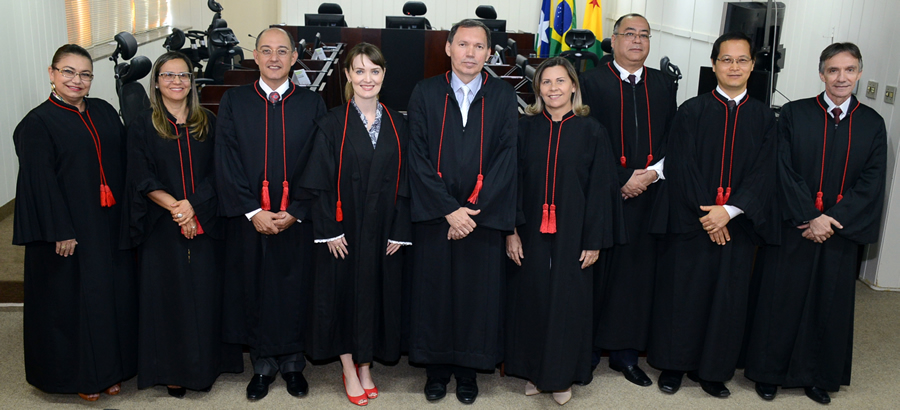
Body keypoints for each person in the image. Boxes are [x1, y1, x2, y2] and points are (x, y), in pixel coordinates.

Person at [743, 43, 886, 405]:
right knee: (780, 300)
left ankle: (816, 376)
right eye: (833, 70)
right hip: (795, 225)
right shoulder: (795, 113)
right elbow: (782, 168)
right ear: (821, 74)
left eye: (849, 70)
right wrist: (810, 215)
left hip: (838, 233)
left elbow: (871, 181)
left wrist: (833, 220)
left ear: (859, 73)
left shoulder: (872, 123)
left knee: (827, 304)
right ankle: (768, 373)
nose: (842, 78)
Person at [647, 32, 779, 398]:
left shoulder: (765, 118)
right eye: (726, 59)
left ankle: (713, 372)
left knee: (727, 301)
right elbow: (681, 165)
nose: (734, 67)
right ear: (714, 64)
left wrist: (730, 211)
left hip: (737, 225)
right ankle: (673, 365)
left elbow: (765, 172)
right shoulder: (691, 111)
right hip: (691, 222)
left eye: (742, 60)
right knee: (682, 296)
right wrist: (708, 213)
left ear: (753, 65)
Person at [13, 44, 136, 401]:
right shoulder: (37, 123)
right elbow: (38, 184)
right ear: (51, 73)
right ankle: (80, 378)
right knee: (74, 304)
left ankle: (112, 370)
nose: (76, 80)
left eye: (85, 74)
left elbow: (125, 161)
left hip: (107, 224)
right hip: (68, 232)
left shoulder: (103, 111)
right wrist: (59, 230)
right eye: (68, 72)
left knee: (110, 297)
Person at [407, 19, 518, 404]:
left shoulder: (503, 95)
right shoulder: (425, 92)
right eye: (463, 44)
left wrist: (470, 212)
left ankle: (469, 370)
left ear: (489, 53)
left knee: (476, 296)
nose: (471, 53)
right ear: (448, 48)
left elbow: (506, 157)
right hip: (437, 217)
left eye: (479, 46)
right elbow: (417, 155)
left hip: (481, 218)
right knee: (435, 294)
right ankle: (437, 370)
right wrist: (448, 210)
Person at [122, 51, 243, 398]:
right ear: (156, 82)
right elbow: (141, 176)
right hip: (161, 222)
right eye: (168, 75)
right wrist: (178, 210)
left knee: (206, 293)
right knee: (169, 296)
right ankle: (172, 370)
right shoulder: (143, 124)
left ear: (192, 82)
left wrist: (193, 207)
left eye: (183, 75)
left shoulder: (208, 122)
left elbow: (219, 171)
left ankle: (209, 363)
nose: (176, 81)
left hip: (205, 217)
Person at [215, 27, 325, 401]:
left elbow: (319, 161)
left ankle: (293, 363)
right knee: (255, 287)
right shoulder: (234, 101)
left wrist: (297, 210)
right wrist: (251, 210)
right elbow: (225, 158)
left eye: (282, 51)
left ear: (294, 57)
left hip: (294, 218)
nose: (274, 58)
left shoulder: (311, 103)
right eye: (266, 50)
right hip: (251, 219)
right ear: (255, 57)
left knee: (294, 288)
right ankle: (262, 363)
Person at [504, 57, 621, 405]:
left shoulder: (592, 131)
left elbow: (601, 190)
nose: (553, 88)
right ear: (537, 89)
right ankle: (533, 371)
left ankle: (561, 377)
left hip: (575, 231)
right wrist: (511, 230)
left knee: (568, 304)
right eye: (546, 82)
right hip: (529, 230)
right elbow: (512, 184)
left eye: (560, 81)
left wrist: (594, 240)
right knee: (533, 299)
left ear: (573, 86)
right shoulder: (524, 128)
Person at [300, 43, 411, 406]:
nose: (367, 79)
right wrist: (329, 229)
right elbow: (318, 182)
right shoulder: (332, 123)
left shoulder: (399, 123)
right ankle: (349, 368)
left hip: (383, 230)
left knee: (376, 295)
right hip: (344, 230)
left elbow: (409, 182)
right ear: (347, 74)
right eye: (359, 71)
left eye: (374, 71)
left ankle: (366, 366)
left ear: (384, 75)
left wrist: (401, 230)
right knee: (343, 296)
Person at [579, 13, 677, 387]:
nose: (637, 40)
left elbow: (672, 137)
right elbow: (585, 138)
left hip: (649, 194)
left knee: (636, 278)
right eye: (629, 34)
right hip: (603, 195)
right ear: (614, 39)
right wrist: (621, 179)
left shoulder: (664, 84)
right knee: (595, 275)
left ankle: (625, 355)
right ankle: (586, 352)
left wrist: (652, 174)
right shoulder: (590, 82)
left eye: (644, 35)